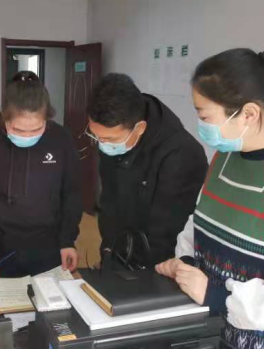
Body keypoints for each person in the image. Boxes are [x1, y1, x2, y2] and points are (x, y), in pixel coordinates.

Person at [156, 46, 264, 349]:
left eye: (205, 116)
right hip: (212, 339)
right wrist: (185, 263)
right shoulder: (225, 157)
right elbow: (198, 223)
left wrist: (216, 296)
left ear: (249, 114)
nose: (200, 125)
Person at [0, 71, 82, 280]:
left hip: (50, 245)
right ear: (4, 118)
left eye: (37, 129)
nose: (27, 136)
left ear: (47, 119)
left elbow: (72, 192)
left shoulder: (61, 139)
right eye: (18, 130)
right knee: (1, 299)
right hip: (0, 246)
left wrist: (67, 240)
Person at [87, 73, 208, 268]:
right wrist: (108, 253)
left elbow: (167, 234)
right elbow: (110, 201)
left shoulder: (182, 155)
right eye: (96, 136)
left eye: (109, 139)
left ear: (140, 128)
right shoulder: (113, 139)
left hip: (157, 267)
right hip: (119, 256)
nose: (102, 144)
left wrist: (135, 274)